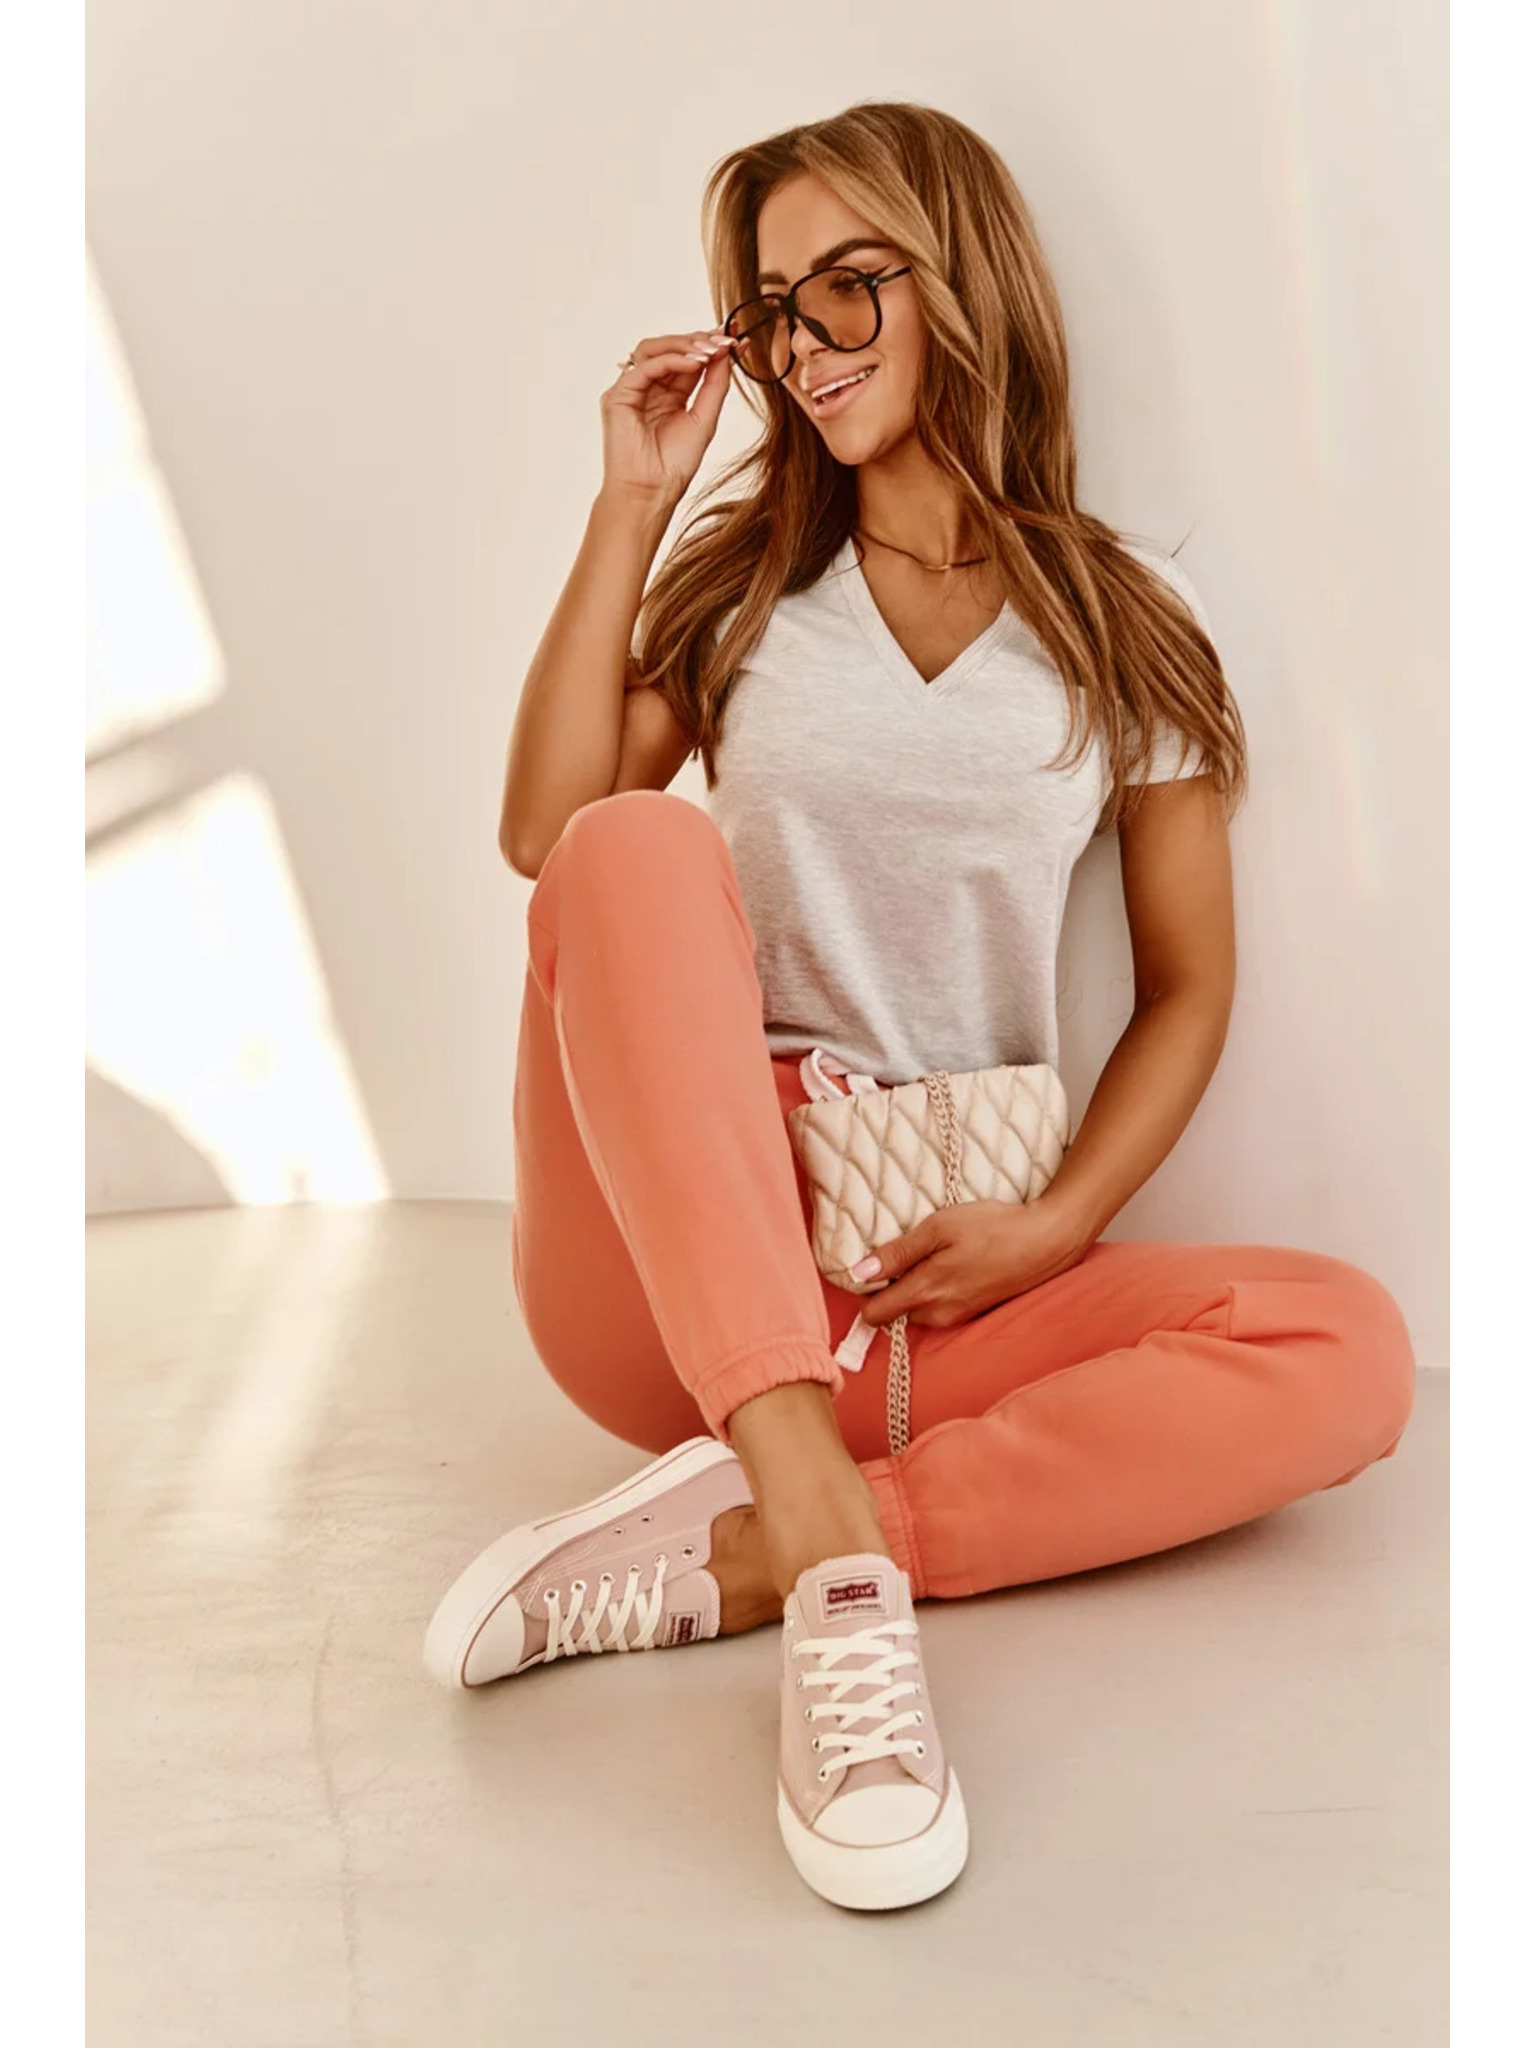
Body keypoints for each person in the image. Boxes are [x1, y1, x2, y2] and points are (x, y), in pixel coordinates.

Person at [423, 102, 1417, 1913]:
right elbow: (543, 835)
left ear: (961, 277)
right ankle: (815, 1532)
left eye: (847, 287)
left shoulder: (1125, 618)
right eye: (773, 309)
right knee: (631, 846)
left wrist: (1063, 1221)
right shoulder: (748, 591)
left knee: (1344, 1346)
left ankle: (773, 1546)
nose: (803, 344)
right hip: (678, 1285)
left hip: (931, 1298)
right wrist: (635, 500)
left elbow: (1191, 987)